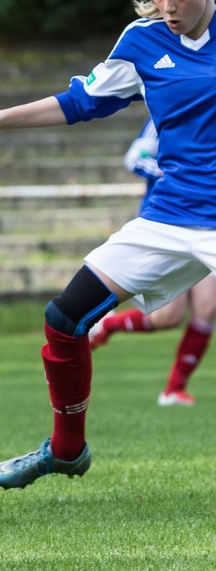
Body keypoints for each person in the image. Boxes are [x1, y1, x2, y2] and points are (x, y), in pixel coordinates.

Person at [0, 0, 216, 489]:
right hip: (170, 216)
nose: (167, 6)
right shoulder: (142, 39)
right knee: (64, 318)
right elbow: (81, 102)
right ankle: (66, 449)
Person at [87, 120, 216, 406]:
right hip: (166, 224)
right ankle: (109, 325)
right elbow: (136, 156)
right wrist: (176, 176)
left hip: (208, 223)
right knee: (168, 317)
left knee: (208, 307)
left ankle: (174, 390)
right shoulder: (174, 104)